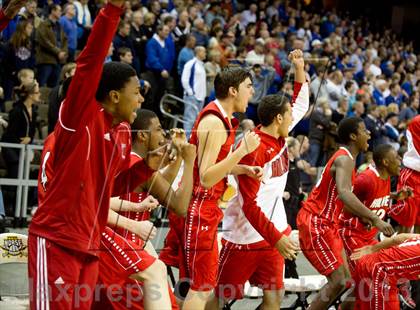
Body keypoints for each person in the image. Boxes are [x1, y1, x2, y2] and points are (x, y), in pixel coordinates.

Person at [28, 1, 166, 308]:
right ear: (114, 96)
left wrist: (146, 168)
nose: (140, 99)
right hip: (57, 241)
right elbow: (90, 61)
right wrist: (112, 10)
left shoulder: (119, 135)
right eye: (135, 93)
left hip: (88, 245)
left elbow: (109, 188)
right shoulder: (81, 116)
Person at [209, 49, 308, 310]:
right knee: (219, 298)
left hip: (272, 232)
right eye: (288, 116)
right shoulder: (254, 147)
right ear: (278, 118)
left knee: (273, 300)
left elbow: (300, 105)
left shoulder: (279, 136)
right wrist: (277, 237)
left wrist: (298, 68)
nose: (292, 118)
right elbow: (248, 205)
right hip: (244, 236)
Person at [94, 110, 197, 309]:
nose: (163, 135)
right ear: (142, 135)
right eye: (158, 129)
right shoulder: (135, 163)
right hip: (122, 248)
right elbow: (179, 205)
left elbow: (159, 187)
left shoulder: (129, 161)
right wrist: (189, 160)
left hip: (128, 245)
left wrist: (175, 158)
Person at [180, 66, 261, 310]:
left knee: (202, 286)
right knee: (201, 289)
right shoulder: (214, 122)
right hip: (200, 206)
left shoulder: (220, 119)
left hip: (206, 208)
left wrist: (242, 169)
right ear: (233, 90)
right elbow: (206, 176)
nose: (252, 92)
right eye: (248, 86)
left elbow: (214, 166)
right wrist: (241, 152)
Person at [296, 117, 394, 310]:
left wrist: (362, 215)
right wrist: (374, 218)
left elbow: (341, 199)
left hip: (328, 223)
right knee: (339, 281)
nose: (369, 134)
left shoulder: (348, 158)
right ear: (352, 136)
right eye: (365, 131)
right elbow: (344, 193)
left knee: (350, 281)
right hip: (316, 220)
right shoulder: (344, 158)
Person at [339, 144, 415, 308]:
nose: (400, 161)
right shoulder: (365, 179)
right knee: (366, 281)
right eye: (396, 157)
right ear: (386, 162)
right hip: (351, 235)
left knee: (366, 284)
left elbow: (377, 198)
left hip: (368, 238)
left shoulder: (386, 177)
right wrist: (367, 217)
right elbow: (343, 202)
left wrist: (395, 196)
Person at [351, 234, 420, 310]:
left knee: (362, 305)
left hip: (369, 261)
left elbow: (399, 238)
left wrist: (371, 249)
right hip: (378, 272)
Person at [397, 115, 420, 233]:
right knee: (406, 224)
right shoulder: (417, 121)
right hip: (413, 174)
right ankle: (397, 249)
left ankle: (415, 251)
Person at [181, 46, 207, 137]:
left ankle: (192, 140)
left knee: (197, 121)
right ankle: (186, 140)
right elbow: (184, 79)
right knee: (189, 120)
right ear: (198, 52)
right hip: (192, 97)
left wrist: (203, 96)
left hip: (201, 97)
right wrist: (190, 93)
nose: (205, 54)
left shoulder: (201, 65)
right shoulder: (190, 63)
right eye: (204, 52)